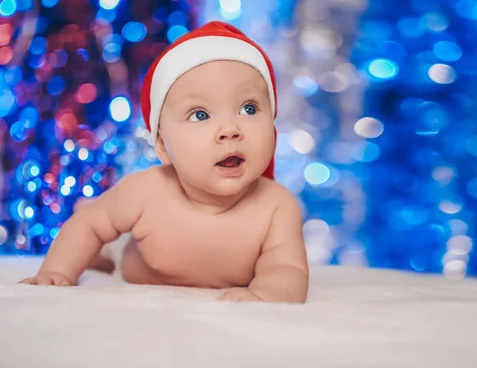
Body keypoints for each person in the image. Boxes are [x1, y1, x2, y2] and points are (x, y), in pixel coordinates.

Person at [20, 21, 309, 304]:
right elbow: (90, 226)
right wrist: (57, 272)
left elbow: (285, 267)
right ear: (163, 147)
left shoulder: (276, 206)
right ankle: (105, 249)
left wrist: (268, 295)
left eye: (249, 108)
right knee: (98, 228)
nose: (230, 129)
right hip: (132, 257)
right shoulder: (146, 191)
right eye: (200, 114)